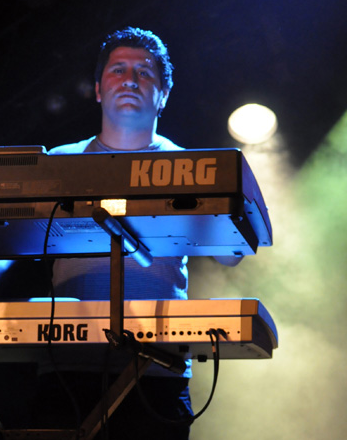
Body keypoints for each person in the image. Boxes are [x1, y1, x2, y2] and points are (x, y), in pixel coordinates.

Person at [33, 27, 240, 440]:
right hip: (66, 364)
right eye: (118, 70)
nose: (130, 80)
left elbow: (231, 254)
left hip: (157, 367)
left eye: (144, 72)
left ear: (164, 95)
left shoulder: (190, 167)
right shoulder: (60, 162)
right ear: (98, 89)